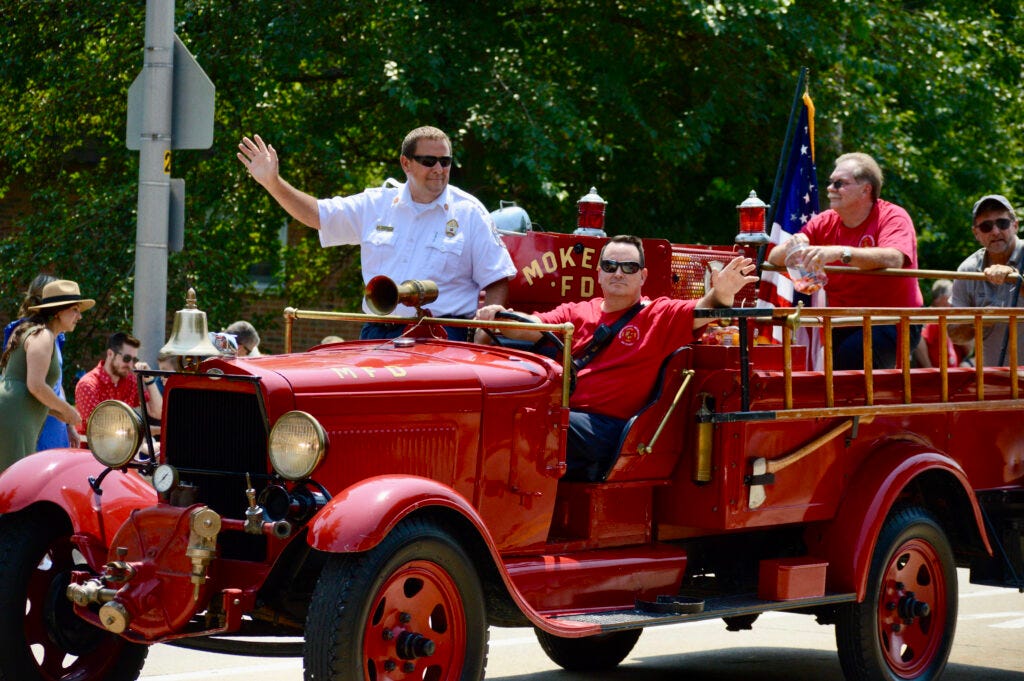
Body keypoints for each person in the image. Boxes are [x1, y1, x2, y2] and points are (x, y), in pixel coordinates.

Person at [476, 235, 758, 482]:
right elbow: (530, 328)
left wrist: (721, 293)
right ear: (599, 273)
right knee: (509, 414)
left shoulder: (658, 314)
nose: (618, 273)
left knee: (534, 420)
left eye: (629, 267)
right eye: (610, 266)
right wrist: (497, 316)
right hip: (564, 414)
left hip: (608, 429)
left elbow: (705, 309)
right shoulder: (576, 312)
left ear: (643, 276)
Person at [237, 126, 517, 341]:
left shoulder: (470, 212)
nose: (439, 169)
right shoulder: (376, 204)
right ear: (406, 163)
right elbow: (317, 215)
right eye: (429, 161)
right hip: (376, 334)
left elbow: (497, 278)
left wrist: (484, 333)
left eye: (445, 162)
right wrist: (272, 183)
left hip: (443, 339)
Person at [766, 152, 924, 369]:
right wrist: (797, 243)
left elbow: (893, 258)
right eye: (830, 182)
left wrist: (840, 252)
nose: (831, 188)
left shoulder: (893, 216)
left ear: (865, 190)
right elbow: (774, 257)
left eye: (839, 183)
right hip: (843, 321)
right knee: (836, 379)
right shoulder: (824, 221)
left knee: (849, 365)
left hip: (892, 319)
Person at [0, 280, 91, 472]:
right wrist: (68, 410)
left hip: (15, 412)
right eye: (75, 309)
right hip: (15, 417)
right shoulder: (44, 336)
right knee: (11, 485)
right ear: (58, 311)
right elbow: (36, 386)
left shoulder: (34, 331)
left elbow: (29, 390)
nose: (79, 316)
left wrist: (63, 415)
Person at [949, 194, 1024, 366]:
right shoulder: (966, 270)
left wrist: (1015, 278)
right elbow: (955, 335)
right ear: (976, 233)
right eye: (986, 226)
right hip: (994, 382)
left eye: (1002, 223)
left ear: (1015, 225)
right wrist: (979, 321)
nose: (995, 231)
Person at [74, 332, 163, 435]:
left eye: (134, 360)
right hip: (90, 449)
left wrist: (150, 380)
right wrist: (154, 430)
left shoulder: (131, 381)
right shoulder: (88, 385)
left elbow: (157, 413)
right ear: (110, 354)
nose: (130, 365)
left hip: (122, 448)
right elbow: (100, 429)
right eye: (126, 358)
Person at [913, 279, 959, 368]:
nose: (953, 301)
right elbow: (919, 340)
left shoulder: (942, 317)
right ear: (939, 299)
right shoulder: (932, 317)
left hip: (949, 376)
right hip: (937, 378)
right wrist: (929, 369)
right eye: (950, 296)